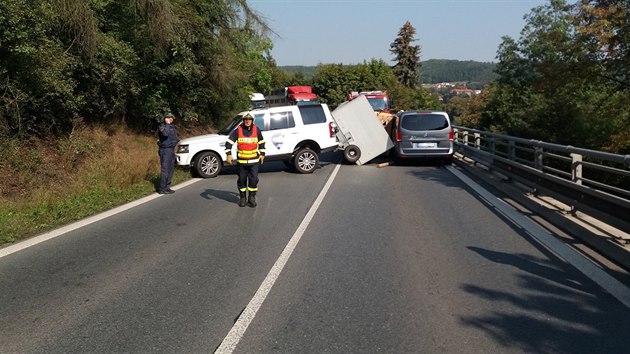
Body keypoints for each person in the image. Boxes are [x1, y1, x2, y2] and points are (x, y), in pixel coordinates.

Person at [225, 112, 265, 207]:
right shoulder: (237, 131)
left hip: (254, 161)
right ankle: (242, 198)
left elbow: (261, 142)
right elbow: (228, 143)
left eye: (249, 119)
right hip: (242, 162)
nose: (247, 121)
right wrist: (228, 155)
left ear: (252, 120)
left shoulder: (257, 130)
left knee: (254, 180)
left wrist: (262, 154)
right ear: (243, 121)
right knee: (242, 180)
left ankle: (252, 198)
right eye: (246, 120)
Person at [156, 112, 179, 194]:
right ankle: (162, 188)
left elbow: (176, 138)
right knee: (165, 170)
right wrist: (167, 124)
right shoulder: (162, 127)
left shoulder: (172, 127)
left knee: (171, 169)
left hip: (171, 150)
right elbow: (165, 134)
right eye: (168, 117)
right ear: (165, 118)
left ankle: (167, 187)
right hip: (165, 151)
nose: (170, 119)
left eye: (171, 117)